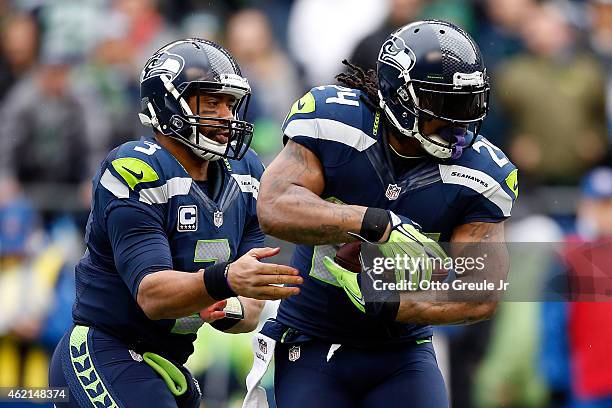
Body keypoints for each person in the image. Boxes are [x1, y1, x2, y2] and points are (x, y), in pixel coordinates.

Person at [246, 21, 518, 407]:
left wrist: (388, 301)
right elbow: (272, 206)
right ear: (401, 98)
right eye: (446, 105)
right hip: (312, 340)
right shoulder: (336, 121)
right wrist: (373, 223)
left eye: (468, 103)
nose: (460, 121)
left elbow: (482, 291)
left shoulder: (482, 171)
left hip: (402, 351)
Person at [48, 38, 302, 408]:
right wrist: (223, 280)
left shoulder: (246, 174)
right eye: (212, 102)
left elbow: (247, 310)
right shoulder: (136, 168)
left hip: (169, 360)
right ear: (169, 102)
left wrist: (227, 305)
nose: (227, 116)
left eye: (230, 104)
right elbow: (152, 294)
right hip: (103, 351)